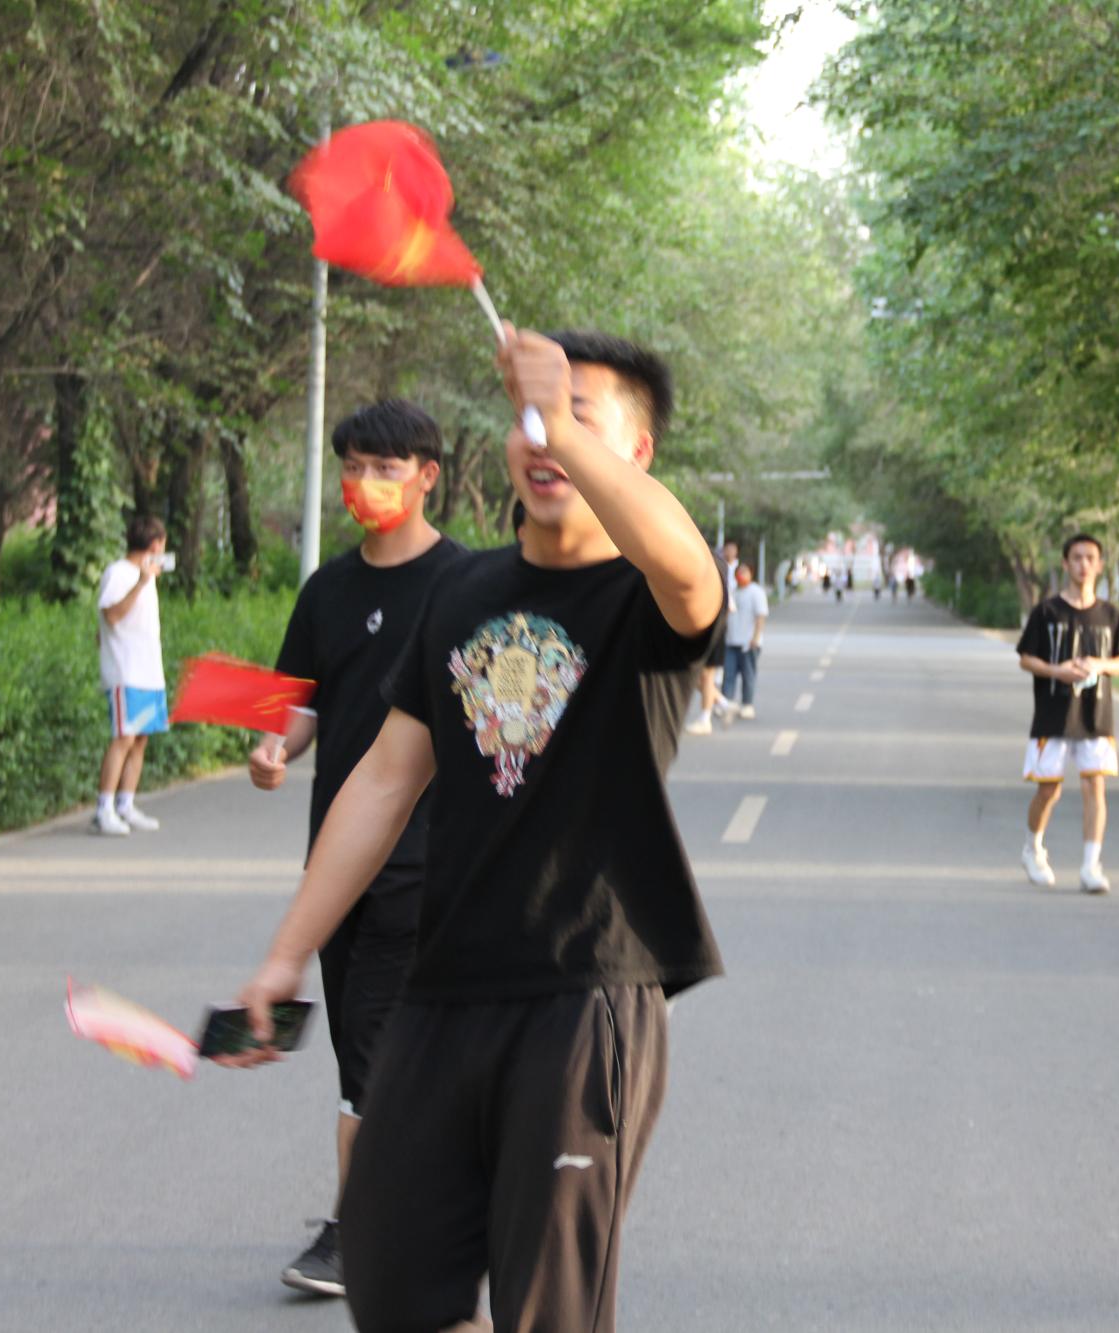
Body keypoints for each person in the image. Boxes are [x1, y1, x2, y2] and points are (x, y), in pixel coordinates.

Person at [221, 327, 725, 1333]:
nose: (543, 435)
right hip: (442, 990)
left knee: (547, 1309)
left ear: (636, 452)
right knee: (390, 1281)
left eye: (577, 416)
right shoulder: (460, 591)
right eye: (530, 413)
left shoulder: (645, 594)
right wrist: (285, 953)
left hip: (584, 993)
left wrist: (558, 424)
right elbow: (382, 781)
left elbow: (686, 566)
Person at [247, 399, 468, 1299]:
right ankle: (415, 1209)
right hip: (336, 861)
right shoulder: (326, 591)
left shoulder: (465, 584)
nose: (365, 482)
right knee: (368, 1046)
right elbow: (295, 702)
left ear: (427, 476)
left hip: (429, 858)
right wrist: (274, 746)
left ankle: (357, 1232)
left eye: (386, 466)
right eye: (353, 466)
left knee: (374, 1049)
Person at [1016, 534, 1119, 893]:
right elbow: (1025, 659)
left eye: (1090, 558)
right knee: (1048, 790)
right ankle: (1033, 847)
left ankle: (1090, 865)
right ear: (1065, 563)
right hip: (1053, 715)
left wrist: (1100, 665)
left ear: (1100, 565)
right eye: (1077, 558)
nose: (1084, 565)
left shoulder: (1110, 615)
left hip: (1095, 716)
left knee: (1094, 787)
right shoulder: (1046, 612)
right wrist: (1057, 671)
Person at [92, 515, 170, 836]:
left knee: (140, 739)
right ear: (155, 544)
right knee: (124, 737)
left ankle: (125, 803)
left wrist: (146, 580)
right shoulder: (119, 572)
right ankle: (104, 809)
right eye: (163, 544)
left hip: (149, 671)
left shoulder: (148, 576)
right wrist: (140, 583)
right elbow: (111, 615)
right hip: (126, 672)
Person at [685, 538, 739, 735]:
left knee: (707, 676)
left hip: (712, 629)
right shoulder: (718, 572)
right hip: (712, 629)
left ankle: (706, 718)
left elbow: (729, 606)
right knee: (698, 675)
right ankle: (722, 703)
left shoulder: (713, 575)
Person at [723, 561, 769, 720]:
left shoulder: (756, 592)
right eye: (739, 571)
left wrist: (755, 638)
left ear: (751, 573)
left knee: (748, 675)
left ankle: (747, 704)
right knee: (728, 675)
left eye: (745, 571)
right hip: (731, 641)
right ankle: (726, 703)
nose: (741, 574)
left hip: (748, 643)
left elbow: (761, 616)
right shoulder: (732, 591)